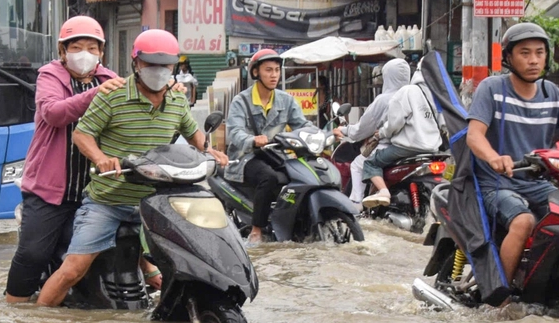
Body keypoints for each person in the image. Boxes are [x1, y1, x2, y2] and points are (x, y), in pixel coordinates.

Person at [35, 29, 229, 307]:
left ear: (174, 66)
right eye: (150, 64)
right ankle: (38, 322)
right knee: (73, 270)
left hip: (156, 203)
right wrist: (101, 158)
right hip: (107, 201)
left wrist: (210, 151)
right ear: (136, 63)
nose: (158, 71)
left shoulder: (177, 100)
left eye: (165, 65)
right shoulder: (112, 96)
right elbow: (82, 134)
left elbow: (193, 134)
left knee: (190, 260)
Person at [467, 23, 559, 287]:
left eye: (539, 53)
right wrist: (494, 157)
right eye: (525, 53)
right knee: (523, 221)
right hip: (497, 183)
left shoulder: (550, 92)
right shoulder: (492, 88)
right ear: (509, 57)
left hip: (539, 183)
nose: (533, 60)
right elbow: (474, 135)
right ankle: (500, 296)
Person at [4, 16, 125, 303]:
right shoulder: (50, 76)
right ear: (63, 51)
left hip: (94, 189)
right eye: (77, 47)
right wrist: (94, 94)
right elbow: (53, 113)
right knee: (33, 253)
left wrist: (170, 92)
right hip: (49, 189)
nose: (85, 54)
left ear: (101, 52)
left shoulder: (110, 80)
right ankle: (14, 306)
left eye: (92, 48)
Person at [225, 49, 312, 245]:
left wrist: (323, 134)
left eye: (277, 70)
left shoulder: (286, 100)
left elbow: (302, 125)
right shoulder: (241, 101)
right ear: (256, 72)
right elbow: (235, 132)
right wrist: (252, 140)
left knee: (301, 174)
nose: (274, 75)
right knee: (269, 177)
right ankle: (256, 230)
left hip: (274, 155)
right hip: (245, 157)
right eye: (268, 70)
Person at [331, 59, 411, 210]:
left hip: (390, 146)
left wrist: (346, 130)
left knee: (357, 165)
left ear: (387, 76)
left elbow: (363, 128)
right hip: (416, 145)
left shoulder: (384, 99)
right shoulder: (413, 96)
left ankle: (356, 204)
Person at [360, 69, 443, 208]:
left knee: (371, 163)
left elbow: (395, 123)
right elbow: (443, 123)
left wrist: (381, 133)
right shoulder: (436, 95)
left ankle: (383, 192)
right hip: (432, 149)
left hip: (408, 147)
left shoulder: (407, 91)